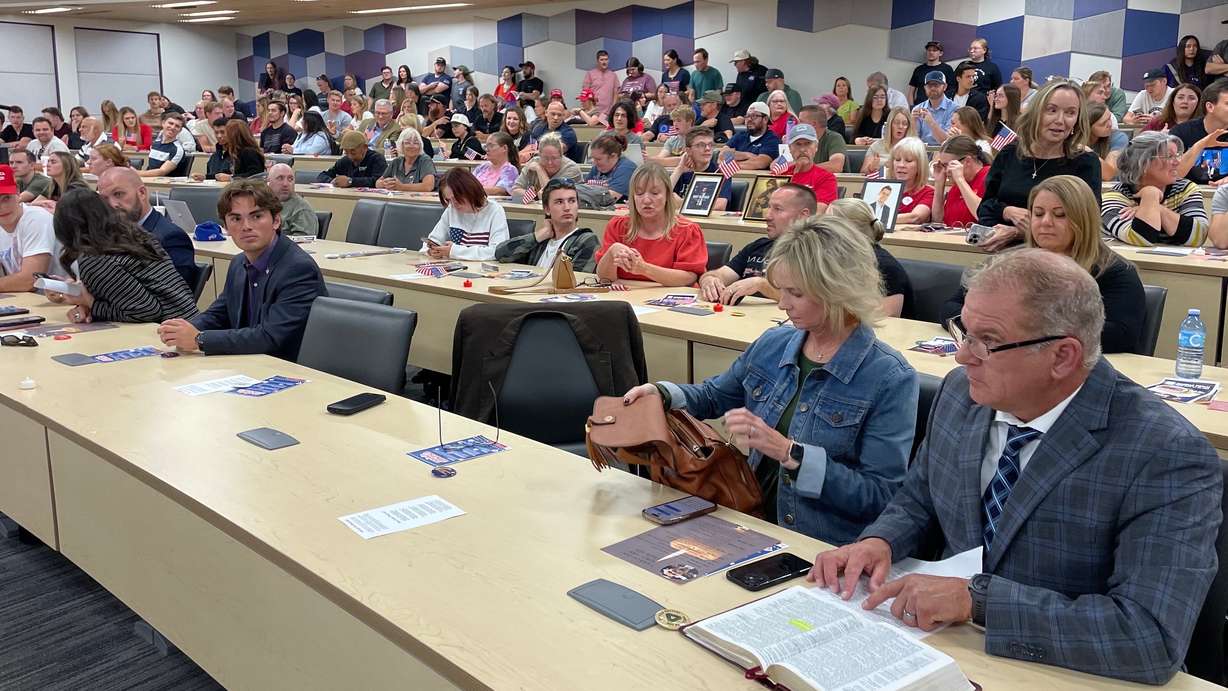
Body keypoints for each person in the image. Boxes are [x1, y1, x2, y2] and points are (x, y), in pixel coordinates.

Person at [816, 247, 1221, 685]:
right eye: (964, 332)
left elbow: (1148, 637)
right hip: (939, 649)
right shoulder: (961, 394)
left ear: (1062, 356)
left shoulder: (1164, 453)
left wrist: (978, 602)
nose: (962, 356)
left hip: (1066, 674)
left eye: (987, 341)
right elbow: (920, 497)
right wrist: (881, 541)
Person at [624, 214, 916, 543]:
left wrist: (791, 454)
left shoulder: (889, 377)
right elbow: (714, 395)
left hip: (818, 543)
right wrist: (661, 393)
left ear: (838, 291)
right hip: (749, 519)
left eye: (795, 293)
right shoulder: (774, 344)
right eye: (781, 290)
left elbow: (879, 496)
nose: (782, 304)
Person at [945, 174, 1144, 352]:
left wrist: (1019, 329)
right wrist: (989, 329)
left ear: (1084, 219)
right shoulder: (1010, 261)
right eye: (1038, 214)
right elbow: (952, 307)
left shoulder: (1115, 272)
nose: (1045, 222)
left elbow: (1120, 336)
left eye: (1060, 215)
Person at [159, 179, 326, 360]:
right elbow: (220, 313)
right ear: (225, 227)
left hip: (287, 367)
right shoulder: (238, 263)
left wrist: (199, 339)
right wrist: (182, 329)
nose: (246, 226)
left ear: (276, 220)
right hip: (249, 362)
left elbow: (270, 337)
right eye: (236, 219)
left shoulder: (298, 269)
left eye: (256, 216)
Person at [977, 81, 1101, 251]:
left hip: (1058, 257)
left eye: (1070, 113)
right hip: (1001, 252)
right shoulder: (1010, 154)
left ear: (1077, 120)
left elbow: (1087, 223)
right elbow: (984, 210)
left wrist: (1019, 232)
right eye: (1052, 110)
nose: (1060, 120)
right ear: (1036, 113)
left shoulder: (1085, 163)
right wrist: (1007, 211)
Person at [45, 188, 196, 324]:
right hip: (190, 321)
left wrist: (90, 303)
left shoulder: (96, 260)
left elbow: (146, 311)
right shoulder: (134, 233)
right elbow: (126, 296)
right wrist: (87, 301)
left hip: (169, 330)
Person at [698, 182, 816, 304]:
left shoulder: (816, 253)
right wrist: (709, 279)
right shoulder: (758, 246)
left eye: (778, 209)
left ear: (803, 215)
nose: (767, 216)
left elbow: (812, 298)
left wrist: (761, 285)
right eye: (769, 207)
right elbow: (722, 274)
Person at [596, 163, 707, 285]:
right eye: (639, 193)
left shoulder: (687, 230)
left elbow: (689, 278)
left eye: (655, 193)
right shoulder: (617, 226)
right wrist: (611, 253)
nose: (646, 200)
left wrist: (644, 268)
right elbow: (605, 279)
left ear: (667, 195)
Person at [1102, 132, 1208, 248]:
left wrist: (1157, 209)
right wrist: (1151, 194)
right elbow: (1141, 238)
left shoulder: (1185, 189)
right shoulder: (1115, 197)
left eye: (1177, 155)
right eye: (1169, 156)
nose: (1177, 162)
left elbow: (1199, 236)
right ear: (1143, 163)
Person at [97, 167, 195, 285]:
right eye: (104, 199)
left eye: (118, 194)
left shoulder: (171, 238)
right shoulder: (108, 234)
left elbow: (178, 292)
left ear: (142, 193)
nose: (112, 204)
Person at [826, 198, 913, 318]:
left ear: (847, 229)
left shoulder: (885, 267)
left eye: (827, 223)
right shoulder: (840, 258)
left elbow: (885, 319)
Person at [495, 178, 599, 271]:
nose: (567, 207)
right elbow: (501, 254)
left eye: (572, 201)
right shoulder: (540, 241)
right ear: (547, 209)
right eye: (559, 202)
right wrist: (541, 234)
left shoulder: (586, 240)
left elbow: (575, 280)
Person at [0, 164, 65, 292]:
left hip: (56, 299)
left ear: (18, 192)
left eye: (6, 198)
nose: (2, 207)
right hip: (25, 298)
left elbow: (30, 280)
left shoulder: (36, 219)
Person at [423, 168, 509, 261]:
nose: (453, 204)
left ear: (470, 191)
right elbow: (433, 240)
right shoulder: (451, 209)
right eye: (448, 200)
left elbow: (497, 251)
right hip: (455, 266)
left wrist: (454, 251)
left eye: (457, 198)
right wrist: (431, 250)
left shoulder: (495, 210)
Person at [1172, 79, 1228, 186]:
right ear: (1210, 107)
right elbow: (1173, 174)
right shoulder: (1181, 132)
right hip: (1188, 193)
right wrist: (1200, 145)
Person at [930, 135, 991, 227]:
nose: (946, 171)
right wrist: (939, 183)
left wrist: (960, 180)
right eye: (943, 166)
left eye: (949, 165)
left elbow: (983, 215)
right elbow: (937, 220)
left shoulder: (989, 176)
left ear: (967, 161)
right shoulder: (958, 185)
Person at [667, 127, 731, 212]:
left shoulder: (721, 172)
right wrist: (679, 170)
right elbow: (663, 196)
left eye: (710, 144)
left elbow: (720, 205)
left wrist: (683, 203)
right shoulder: (682, 172)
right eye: (701, 145)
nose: (707, 148)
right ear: (688, 150)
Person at [509, 132, 580, 199]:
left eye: (554, 158)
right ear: (539, 155)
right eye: (545, 158)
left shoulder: (571, 169)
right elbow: (514, 190)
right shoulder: (533, 162)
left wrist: (540, 170)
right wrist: (533, 195)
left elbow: (553, 196)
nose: (550, 162)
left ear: (561, 156)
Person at [781, 125, 838, 208]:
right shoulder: (781, 174)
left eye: (808, 144)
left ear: (816, 147)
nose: (802, 149)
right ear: (790, 148)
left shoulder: (826, 178)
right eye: (798, 144)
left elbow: (818, 211)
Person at [261, 163, 317, 238]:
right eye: (280, 178)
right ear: (268, 182)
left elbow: (303, 242)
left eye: (290, 179)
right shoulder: (261, 202)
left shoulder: (301, 210)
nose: (285, 184)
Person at [719, 102, 780, 170]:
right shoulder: (740, 135)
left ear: (765, 119)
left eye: (754, 116)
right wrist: (747, 155)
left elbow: (760, 163)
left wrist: (731, 161)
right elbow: (722, 155)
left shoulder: (772, 139)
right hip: (733, 175)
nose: (749, 119)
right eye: (747, 116)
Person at [888, 137, 934, 225]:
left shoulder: (929, 192)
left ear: (920, 165)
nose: (901, 165)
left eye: (908, 161)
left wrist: (879, 219)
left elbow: (915, 217)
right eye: (897, 160)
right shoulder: (885, 189)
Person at [317, 130, 386, 188]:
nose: (350, 156)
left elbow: (378, 181)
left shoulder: (377, 159)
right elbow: (322, 175)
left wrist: (351, 181)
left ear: (364, 147)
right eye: (346, 152)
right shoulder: (344, 161)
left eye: (353, 152)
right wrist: (333, 181)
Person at [375, 128, 437, 193]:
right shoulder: (396, 161)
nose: (412, 146)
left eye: (416, 143)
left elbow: (428, 186)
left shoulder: (425, 160)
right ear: (401, 145)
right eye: (407, 143)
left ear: (420, 146)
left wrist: (401, 187)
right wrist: (384, 184)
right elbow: (377, 183)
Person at [584, 134, 637, 201]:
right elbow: (582, 189)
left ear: (613, 156)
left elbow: (609, 198)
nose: (594, 163)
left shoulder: (627, 168)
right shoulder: (597, 167)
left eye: (598, 159)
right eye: (593, 158)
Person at [861, 106, 913, 174]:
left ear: (908, 127)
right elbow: (863, 172)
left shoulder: (913, 148)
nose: (900, 127)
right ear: (890, 124)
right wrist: (872, 168)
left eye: (904, 124)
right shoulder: (876, 146)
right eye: (896, 123)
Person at [795, 105, 846, 174]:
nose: (797, 125)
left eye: (801, 122)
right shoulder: (800, 140)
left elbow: (836, 166)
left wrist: (805, 169)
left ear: (814, 124)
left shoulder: (835, 138)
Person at [138, 113, 190, 178]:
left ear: (180, 130)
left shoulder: (178, 150)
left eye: (177, 126)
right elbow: (150, 168)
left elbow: (162, 171)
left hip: (166, 183)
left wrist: (136, 173)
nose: (173, 127)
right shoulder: (155, 144)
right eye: (170, 123)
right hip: (150, 180)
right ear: (163, 123)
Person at [911, 71, 957, 146]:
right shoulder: (917, 108)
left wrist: (931, 122)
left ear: (945, 87)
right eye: (929, 85)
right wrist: (913, 122)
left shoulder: (955, 109)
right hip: (922, 150)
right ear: (925, 88)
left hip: (944, 150)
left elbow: (948, 142)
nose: (932, 88)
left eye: (936, 85)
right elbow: (913, 141)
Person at [1087, 102, 1128, 181]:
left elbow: (1109, 174)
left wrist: (1088, 152)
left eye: (1109, 118)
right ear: (1088, 127)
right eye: (1103, 123)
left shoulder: (1118, 137)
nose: (1110, 124)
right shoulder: (1073, 140)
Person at [909, 41, 955, 105]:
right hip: (921, 107)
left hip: (940, 107)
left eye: (934, 50)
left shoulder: (947, 69)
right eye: (929, 50)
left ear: (940, 53)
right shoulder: (919, 69)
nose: (931, 52)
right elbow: (911, 92)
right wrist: (912, 107)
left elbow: (952, 90)